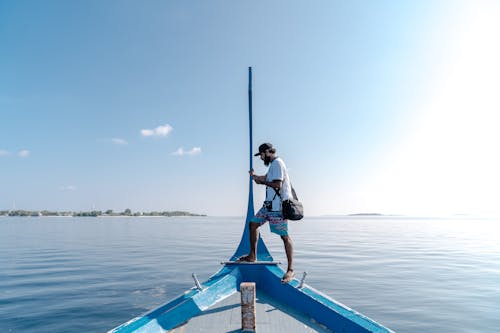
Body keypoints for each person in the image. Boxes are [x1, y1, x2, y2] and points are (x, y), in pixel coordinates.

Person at [238, 142, 295, 283]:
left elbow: (277, 184)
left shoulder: (277, 163)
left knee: (285, 237)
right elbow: (266, 178)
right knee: (253, 224)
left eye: (262, 155)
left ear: (268, 152)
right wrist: (255, 176)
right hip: (268, 207)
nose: (261, 158)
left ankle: (290, 270)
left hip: (278, 208)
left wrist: (261, 182)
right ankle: (252, 256)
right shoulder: (273, 166)